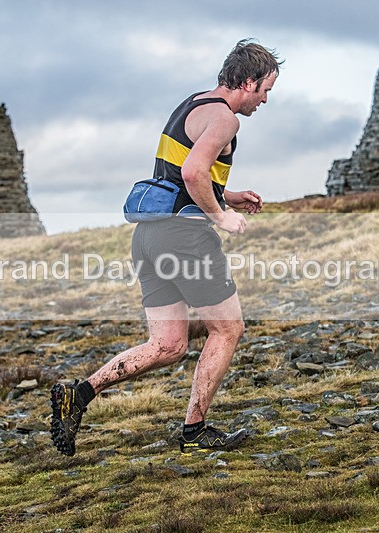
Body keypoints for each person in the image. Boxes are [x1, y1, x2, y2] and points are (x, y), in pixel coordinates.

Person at [51, 39, 282, 456]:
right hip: (186, 237)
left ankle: (79, 395)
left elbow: (180, 176)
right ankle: (195, 431)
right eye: (265, 89)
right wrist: (221, 217)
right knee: (228, 328)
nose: (265, 99)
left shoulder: (192, 104)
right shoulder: (226, 119)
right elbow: (194, 173)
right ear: (247, 82)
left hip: (149, 237)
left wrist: (227, 196)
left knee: (168, 345)